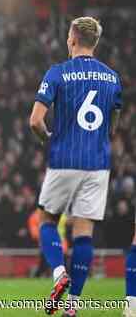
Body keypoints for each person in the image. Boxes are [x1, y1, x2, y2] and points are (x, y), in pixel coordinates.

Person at [29, 16, 121, 316]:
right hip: (97, 162)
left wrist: (49, 138)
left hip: (64, 158)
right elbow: (112, 126)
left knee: (46, 221)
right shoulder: (113, 78)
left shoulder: (57, 73)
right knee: (84, 233)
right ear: (95, 42)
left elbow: (35, 121)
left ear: (72, 39)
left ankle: (58, 273)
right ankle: (73, 306)